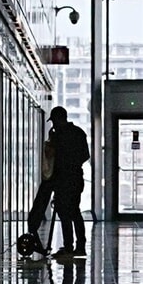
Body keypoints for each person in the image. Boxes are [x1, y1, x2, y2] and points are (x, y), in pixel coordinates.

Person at [47, 106, 90, 258]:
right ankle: (79, 246)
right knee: (74, 212)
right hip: (75, 178)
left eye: (54, 121)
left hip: (64, 179)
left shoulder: (60, 136)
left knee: (66, 213)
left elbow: (52, 156)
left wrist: (67, 163)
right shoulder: (78, 133)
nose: (53, 125)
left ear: (59, 119)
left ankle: (69, 247)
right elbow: (86, 155)